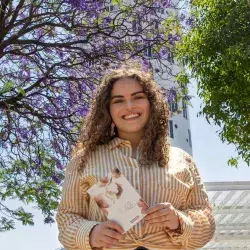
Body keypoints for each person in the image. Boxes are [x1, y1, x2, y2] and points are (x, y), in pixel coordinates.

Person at [56, 64, 215, 250]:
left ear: (152, 103)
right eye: (118, 100)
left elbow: (207, 223)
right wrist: (90, 233)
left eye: (138, 97)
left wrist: (179, 221)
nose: (129, 106)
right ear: (108, 109)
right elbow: (67, 219)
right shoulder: (84, 160)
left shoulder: (182, 160)